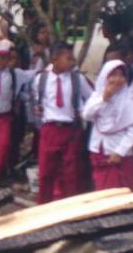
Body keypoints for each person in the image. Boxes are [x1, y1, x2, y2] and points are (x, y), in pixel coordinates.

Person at [34, 41, 93, 203]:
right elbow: (39, 100)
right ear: (54, 59)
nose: (72, 61)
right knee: (46, 170)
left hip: (71, 129)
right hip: (50, 128)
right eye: (68, 58)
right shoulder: (41, 79)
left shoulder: (77, 79)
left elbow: (92, 98)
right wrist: (38, 109)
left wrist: (84, 111)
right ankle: (43, 204)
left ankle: (69, 205)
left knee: (70, 171)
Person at [82, 60, 133, 192]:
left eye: (121, 75)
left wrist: (119, 152)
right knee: (103, 189)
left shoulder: (127, 101)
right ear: (105, 77)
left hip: (119, 153)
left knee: (122, 189)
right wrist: (104, 98)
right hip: (100, 149)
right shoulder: (96, 96)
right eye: (113, 75)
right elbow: (87, 115)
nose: (117, 79)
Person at [0, 40, 31, 182]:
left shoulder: (15, 74)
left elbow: (33, 74)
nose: (0, 61)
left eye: (3, 57)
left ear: (8, 59)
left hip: (4, 117)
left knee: (4, 145)